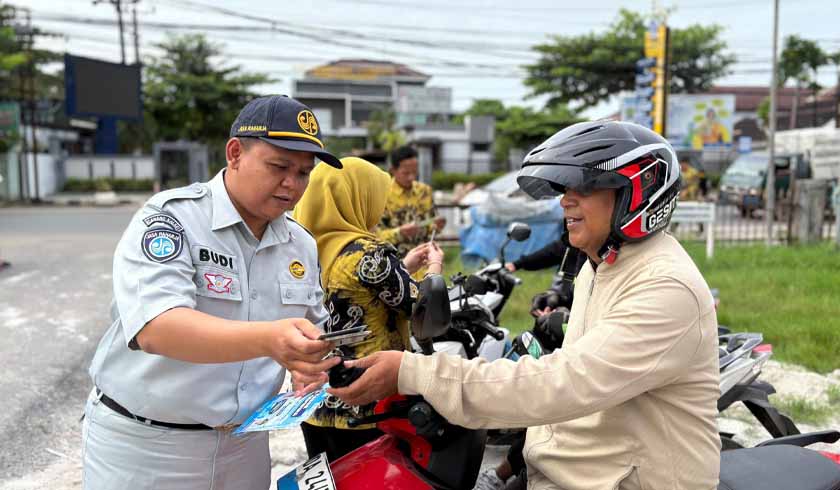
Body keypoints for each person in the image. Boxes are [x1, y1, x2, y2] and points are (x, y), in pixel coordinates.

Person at [330, 121, 722, 490]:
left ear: (636, 192)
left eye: (583, 188)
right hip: (573, 472)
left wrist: (413, 372)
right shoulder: (600, 265)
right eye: (565, 189)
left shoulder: (665, 286)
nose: (565, 201)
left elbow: (563, 383)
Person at [82, 95, 345, 490]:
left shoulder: (301, 245)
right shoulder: (172, 220)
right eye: (279, 167)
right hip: (147, 447)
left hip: (245, 445)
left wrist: (309, 364)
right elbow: (156, 327)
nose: (292, 184)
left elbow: (311, 330)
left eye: (304, 173)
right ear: (235, 153)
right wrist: (272, 340)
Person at [293, 157, 444, 462]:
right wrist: (434, 269)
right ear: (357, 197)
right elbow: (423, 311)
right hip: (368, 402)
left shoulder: (299, 250)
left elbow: (356, 292)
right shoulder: (368, 253)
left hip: (314, 403)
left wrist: (400, 267)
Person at [377, 145, 446, 259]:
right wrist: (400, 233)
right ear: (393, 170)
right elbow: (375, 236)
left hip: (423, 262)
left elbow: (431, 228)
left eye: (414, 172)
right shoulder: (382, 194)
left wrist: (437, 226)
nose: (411, 177)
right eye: (406, 173)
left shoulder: (424, 191)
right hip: (394, 264)